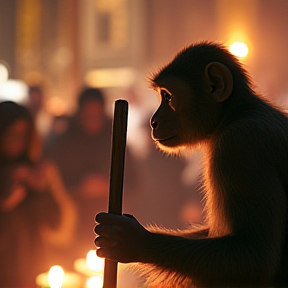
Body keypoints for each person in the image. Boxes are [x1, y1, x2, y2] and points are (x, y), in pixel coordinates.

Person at [45, 87, 138, 259]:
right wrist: (79, 188)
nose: (92, 121)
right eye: (88, 115)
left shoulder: (116, 140)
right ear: (79, 114)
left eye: (96, 115)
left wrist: (109, 187)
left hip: (108, 226)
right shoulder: (64, 143)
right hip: (72, 226)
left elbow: (134, 182)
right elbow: (51, 183)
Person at [0, 101, 76, 287]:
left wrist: (48, 187)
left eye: (23, 134)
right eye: (11, 134)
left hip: (31, 271)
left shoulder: (36, 171)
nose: (17, 141)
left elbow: (60, 229)